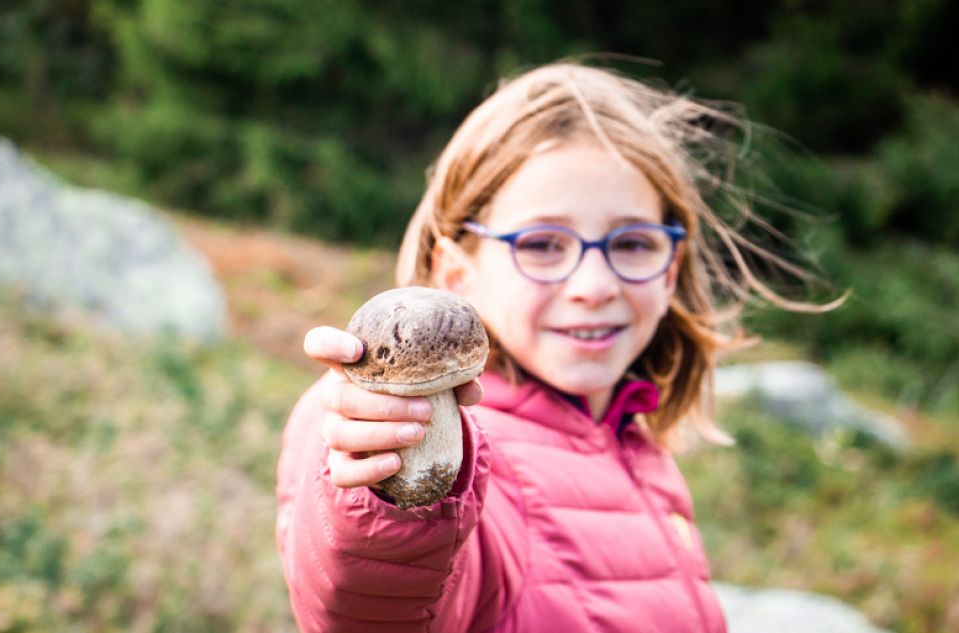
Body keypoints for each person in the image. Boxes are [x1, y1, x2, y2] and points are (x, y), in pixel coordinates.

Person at [276, 61, 833, 632]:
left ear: (671, 270)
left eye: (634, 242)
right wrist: (389, 481)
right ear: (458, 274)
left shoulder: (640, 450)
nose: (593, 287)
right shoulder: (433, 441)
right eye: (542, 244)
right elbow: (381, 610)